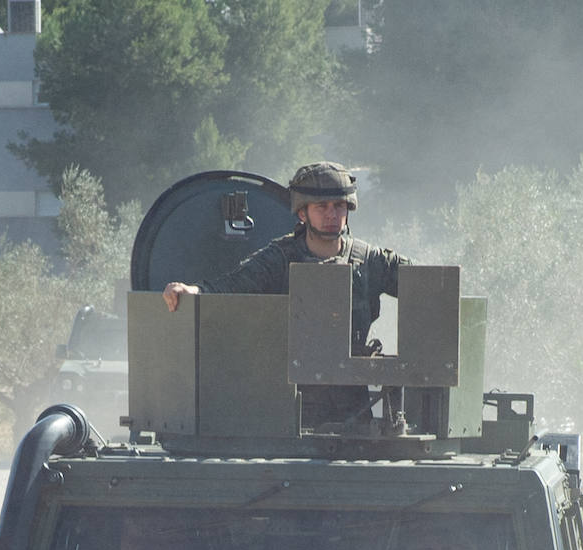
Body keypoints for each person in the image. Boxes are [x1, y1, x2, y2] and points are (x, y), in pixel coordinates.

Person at [162, 162, 411, 428]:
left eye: (339, 206)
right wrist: (193, 291)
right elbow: (233, 286)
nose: (332, 215)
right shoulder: (280, 258)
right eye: (321, 207)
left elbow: (423, 285)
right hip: (287, 406)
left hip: (354, 408)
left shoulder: (369, 260)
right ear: (302, 213)